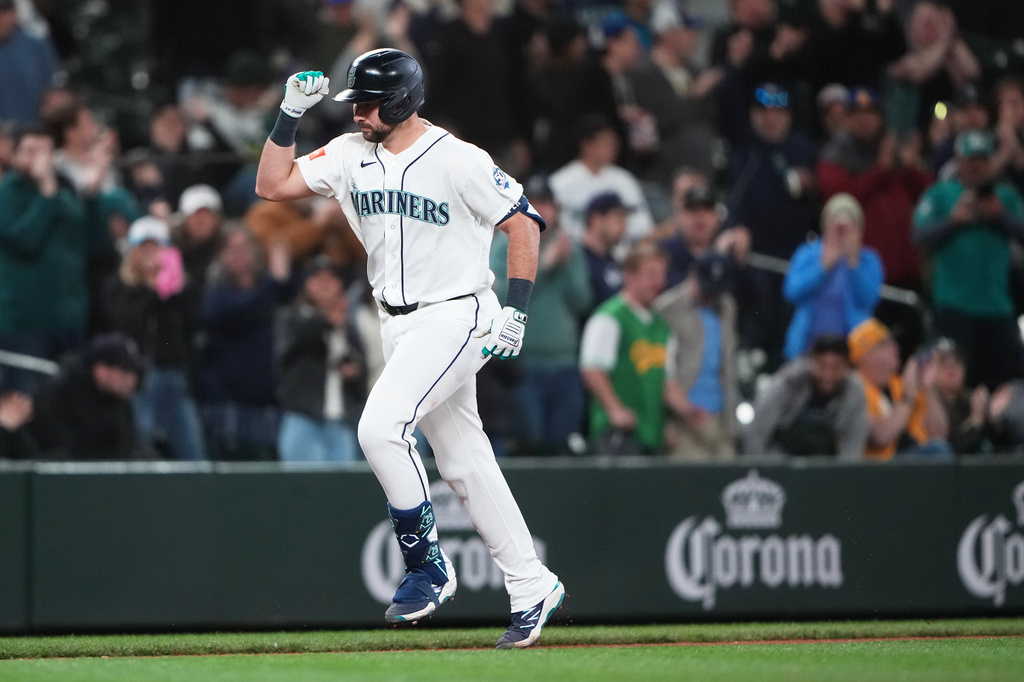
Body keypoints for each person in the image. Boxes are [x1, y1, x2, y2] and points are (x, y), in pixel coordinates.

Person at [253, 49, 563, 648]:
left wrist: (518, 311)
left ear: (400, 102)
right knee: (464, 461)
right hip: (396, 323)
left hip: (457, 314)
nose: (358, 114)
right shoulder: (348, 153)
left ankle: (427, 567)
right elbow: (272, 185)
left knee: (379, 428)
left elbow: (523, 223)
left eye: (368, 104)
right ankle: (532, 584)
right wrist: (288, 114)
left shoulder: (457, 158)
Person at [913, 130, 1024, 390]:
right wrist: (952, 221)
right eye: (971, 160)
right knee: (955, 385)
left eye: (982, 160)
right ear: (959, 161)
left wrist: (1001, 216)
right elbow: (918, 236)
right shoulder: (941, 194)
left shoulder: (1005, 196)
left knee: (1008, 386)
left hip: (998, 307)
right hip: (955, 307)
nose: (977, 166)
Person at [491, 177, 592, 455]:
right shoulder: (504, 244)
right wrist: (545, 265)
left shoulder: (569, 247)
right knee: (531, 440)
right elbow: (498, 298)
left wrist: (566, 263)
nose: (541, 209)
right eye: (534, 203)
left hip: (565, 362)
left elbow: (582, 301)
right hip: (523, 363)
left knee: (562, 442)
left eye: (547, 203)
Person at [103, 216, 208, 462]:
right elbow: (125, 322)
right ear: (133, 252)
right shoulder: (119, 286)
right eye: (144, 248)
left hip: (176, 376)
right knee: (142, 448)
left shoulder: (182, 286)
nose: (150, 255)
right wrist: (155, 291)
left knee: (193, 452)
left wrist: (177, 290)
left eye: (156, 247)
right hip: (139, 379)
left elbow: (197, 323)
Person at [0, 123, 93, 393]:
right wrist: (47, 195)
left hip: (68, 319)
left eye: (45, 152)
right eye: (31, 151)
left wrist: (92, 195)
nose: (39, 159)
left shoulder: (65, 193)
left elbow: (86, 243)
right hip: (25, 323)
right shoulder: (7, 194)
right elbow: (24, 240)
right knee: (31, 399)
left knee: (71, 399)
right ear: (15, 154)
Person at [200, 224, 293, 460]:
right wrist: (275, 280)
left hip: (267, 403)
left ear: (255, 251)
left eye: (243, 247)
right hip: (228, 405)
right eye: (230, 249)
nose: (237, 254)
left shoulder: (271, 290)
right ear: (221, 255)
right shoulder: (216, 293)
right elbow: (241, 310)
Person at [579, 242, 672, 455]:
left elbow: (665, 380)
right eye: (651, 274)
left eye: (662, 275)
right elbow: (592, 369)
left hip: (652, 432)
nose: (659, 282)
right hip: (619, 434)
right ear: (629, 275)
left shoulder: (660, 324)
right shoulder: (610, 317)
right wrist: (615, 410)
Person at [274, 255, 366, 463]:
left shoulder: (347, 325)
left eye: (331, 278)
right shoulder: (290, 316)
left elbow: (361, 366)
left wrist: (353, 370)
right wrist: (327, 321)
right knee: (304, 482)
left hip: (340, 422)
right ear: (305, 284)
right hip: (303, 419)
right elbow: (291, 347)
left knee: (342, 483)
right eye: (317, 278)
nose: (325, 284)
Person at [655, 250, 740, 460]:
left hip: (721, 415)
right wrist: (664, 422)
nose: (710, 296)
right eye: (706, 288)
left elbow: (728, 364)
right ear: (692, 275)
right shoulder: (667, 308)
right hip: (683, 417)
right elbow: (658, 370)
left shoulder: (727, 306)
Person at [782, 193, 884, 360]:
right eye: (836, 227)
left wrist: (853, 263)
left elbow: (869, 300)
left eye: (847, 227)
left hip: (852, 352)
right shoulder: (808, 253)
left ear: (859, 229)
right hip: (806, 349)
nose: (841, 232)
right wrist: (822, 267)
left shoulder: (868, 259)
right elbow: (791, 292)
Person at [743, 334, 869, 459]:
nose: (828, 375)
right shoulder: (789, 382)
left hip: (826, 464)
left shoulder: (854, 391)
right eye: (822, 365)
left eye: (836, 367)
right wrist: (764, 467)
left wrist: (842, 470)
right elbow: (756, 432)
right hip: (779, 461)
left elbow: (854, 443)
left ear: (846, 366)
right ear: (811, 361)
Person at [26, 332, 146, 460]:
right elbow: (61, 447)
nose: (132, 380)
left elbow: (129, 445)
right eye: (125, 372)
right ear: (101, 370)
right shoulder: (60, 392)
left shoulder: (119, 398)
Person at [847, 317, 951, 460]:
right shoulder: (853, 388)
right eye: (885, 343)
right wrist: (907, 398)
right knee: (937, 451)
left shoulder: (899, 384)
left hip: (908, 459)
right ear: (865, 354)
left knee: (939, 449)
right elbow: (881, 437)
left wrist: (928, 389)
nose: (895, 346)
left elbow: (939, 434)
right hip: (875, 467)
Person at [548, 114, 655, 243]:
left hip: (622, 251)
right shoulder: (560, 182)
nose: (613, 149)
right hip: (576, 251)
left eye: (614, 144)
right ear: (586, 145)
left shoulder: (624, 179)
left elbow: (643, 227)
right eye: (606, 144)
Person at [0, 0, 60, 125]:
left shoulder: (36, 43)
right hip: (4, 129)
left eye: (4, 13)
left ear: (14, 14)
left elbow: (52, 85)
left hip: (41, 123)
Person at [929, 337, 989, 455]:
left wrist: (995, 414)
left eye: (957, 361)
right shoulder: (925, 403)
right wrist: (975, 421)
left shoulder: (970, 401)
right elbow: (947, 450)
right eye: (943, 362)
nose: (952, 367)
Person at [580, 191, 628, 308]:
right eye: (618, 219)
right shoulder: (577, 260)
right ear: (596, 220)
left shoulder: (613, 261)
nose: (624, 226)